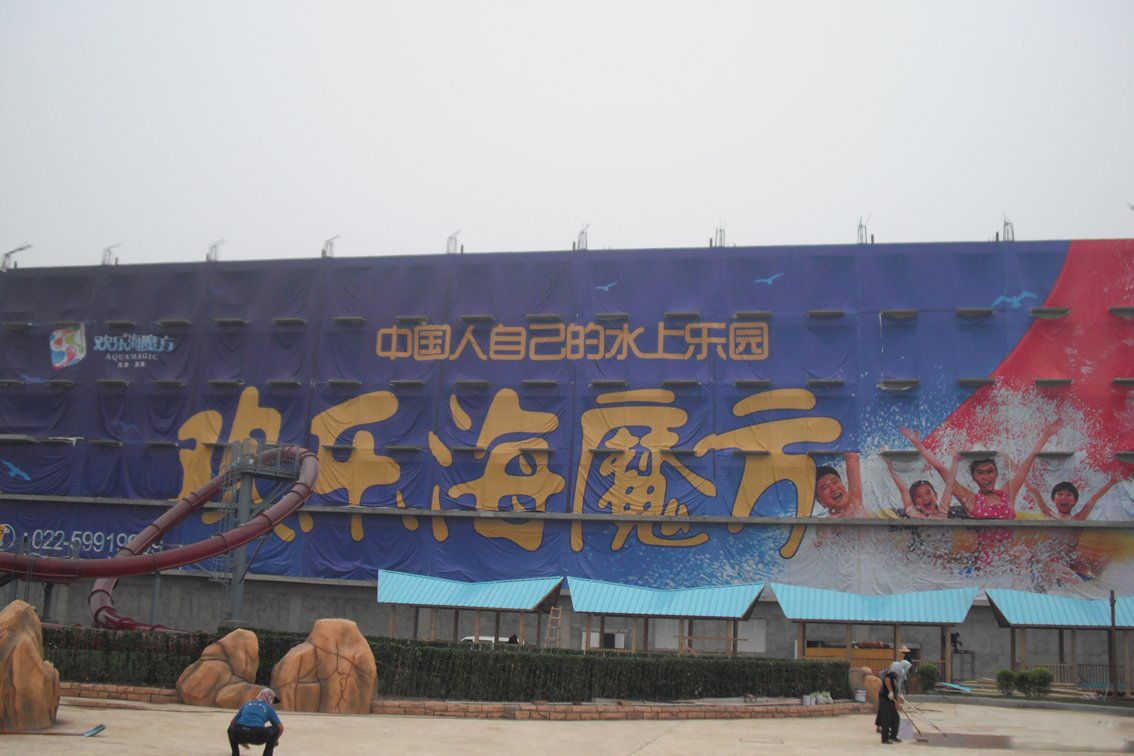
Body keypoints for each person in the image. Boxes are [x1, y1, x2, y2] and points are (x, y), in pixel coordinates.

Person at [228, 688, 283, 756]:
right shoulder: (268, 708)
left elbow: (232, 722)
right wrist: (275, 740)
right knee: (276, 729)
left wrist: (242, 734)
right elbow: (280, 728)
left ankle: (235, 753)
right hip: (257, 735)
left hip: (238, 733)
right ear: (270, 699)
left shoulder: (247, 703)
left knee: (230, 729)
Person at [814, 453, 867, 518]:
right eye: (825, 487)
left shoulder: (855, 504)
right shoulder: (823, 522)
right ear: (820, 501)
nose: (834, 489)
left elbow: (852, 458)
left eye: (834, 482)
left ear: (843, 486)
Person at [876, 661, 904, 744]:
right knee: (886, 719)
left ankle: (893, 736)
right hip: (885, 700)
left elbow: (896, 690)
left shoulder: (896, 677)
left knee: (896, 718)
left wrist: (898, 703)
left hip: (891, 700)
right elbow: (887, 680)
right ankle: (885, 739)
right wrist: (890, 691)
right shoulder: (891, 674)